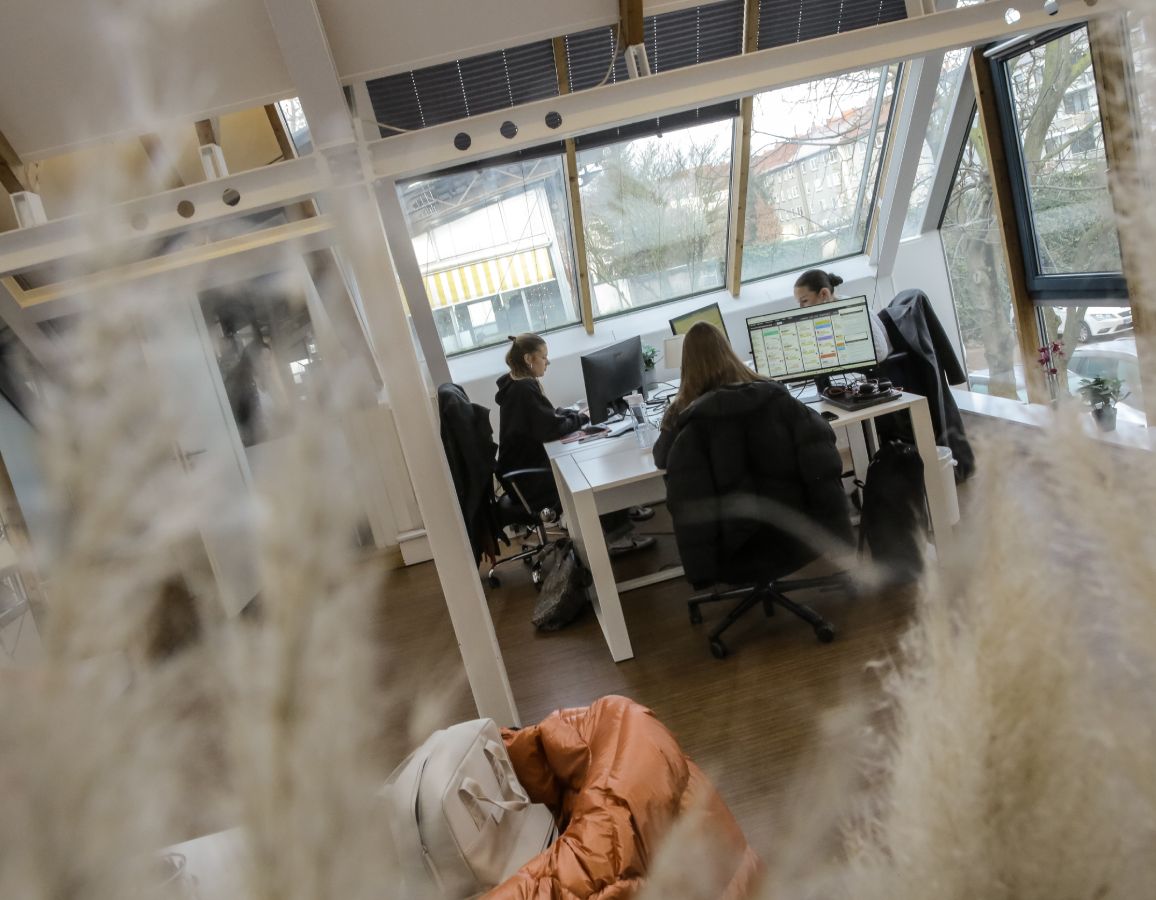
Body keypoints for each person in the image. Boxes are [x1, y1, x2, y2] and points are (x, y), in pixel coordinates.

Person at [495, 333, 655, 555]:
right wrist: (583, 418)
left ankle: (621, 510)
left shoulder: (517, 384)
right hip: (531, 480)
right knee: (593, 471)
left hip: (524, 473)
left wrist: (574, 414)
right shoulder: (524, 390)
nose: (547, 362)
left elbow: (545, 417)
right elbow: (551, 429)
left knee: (592, 455)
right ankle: (617, 536)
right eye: (544, 357)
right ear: (528, 359)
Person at [653, 321, 767, 470]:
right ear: (727, 350)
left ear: (686, 362)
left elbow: (661, 459)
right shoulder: (767, 389)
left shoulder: (679, 412)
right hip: (773, 485)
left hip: (716, 490)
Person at [793, 269, 893, 363]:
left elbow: (880, 352)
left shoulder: (848, 310)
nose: (801, 307)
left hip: (886, 367)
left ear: (824, 294)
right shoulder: (836, 306)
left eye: (804, 301)